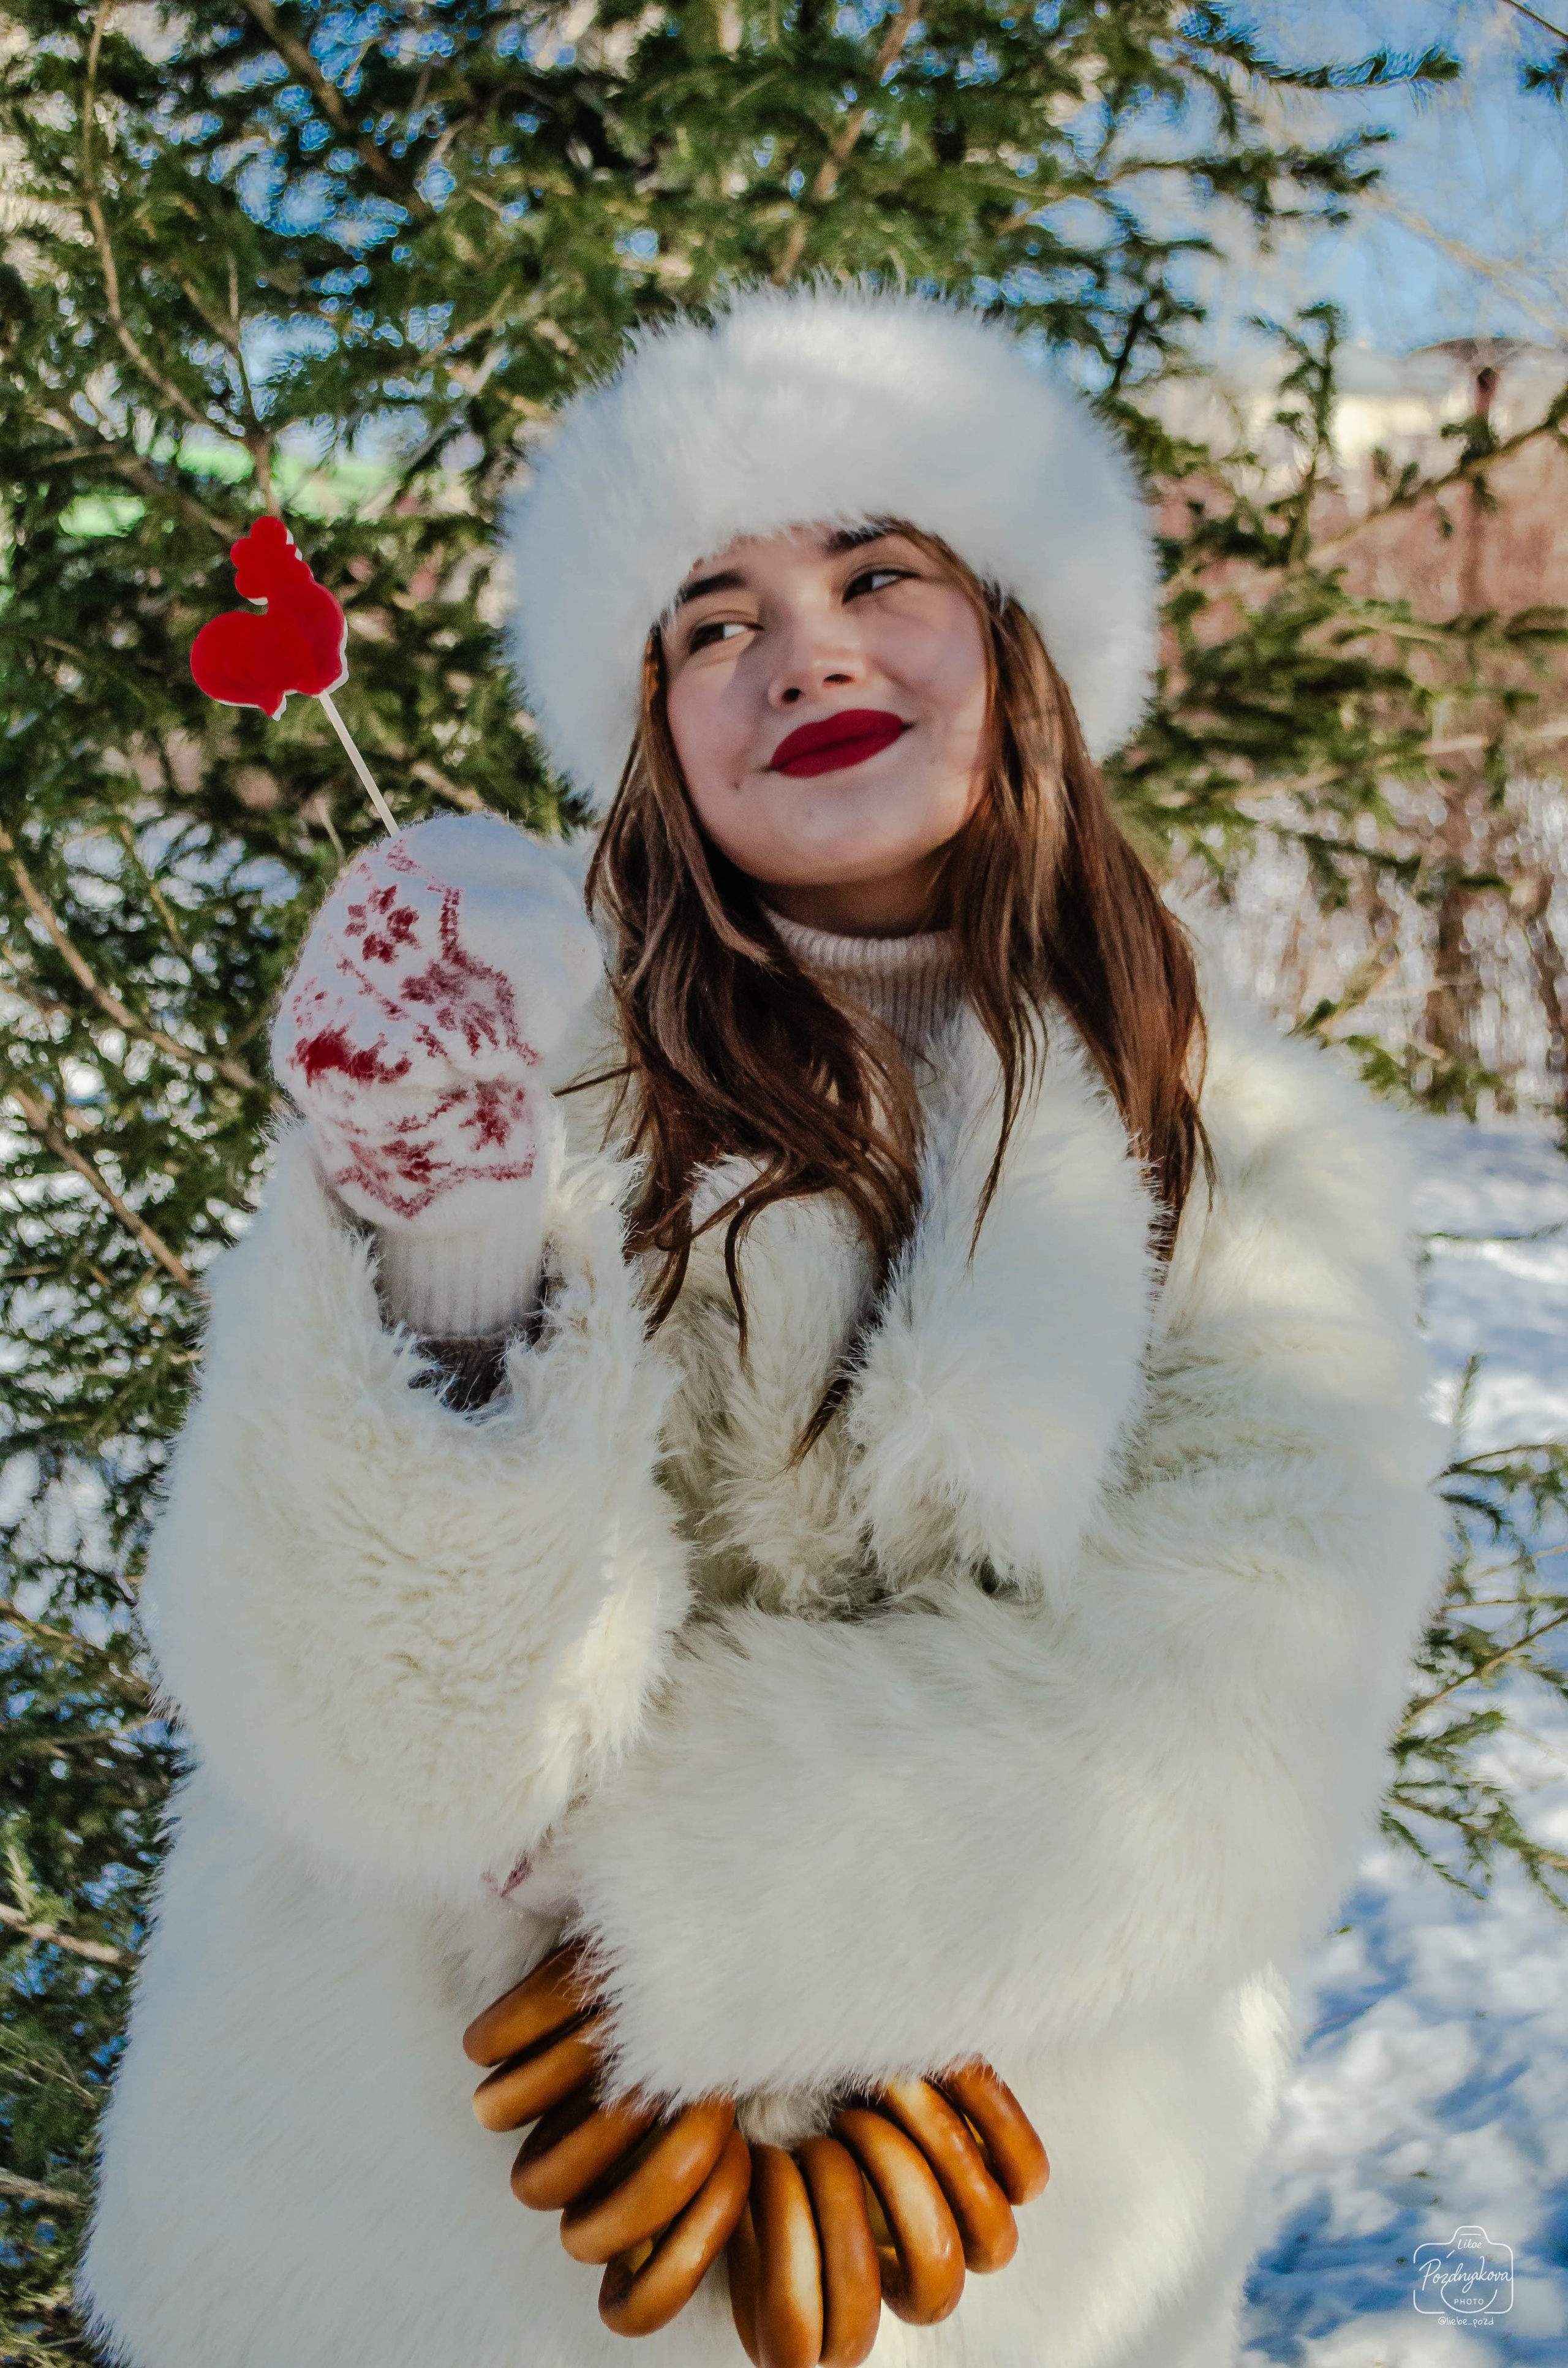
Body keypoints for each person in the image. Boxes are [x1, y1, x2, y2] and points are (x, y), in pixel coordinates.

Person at [83, 286, 1443, 2368]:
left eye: (877, 571)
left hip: (1013, 2263)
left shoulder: (1241, 1157)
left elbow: (1239, 1706)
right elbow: (331, 1702)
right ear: (650, 720)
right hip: (396, 2249)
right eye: (712, 617)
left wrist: (643, 1868)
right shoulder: (492, 1029)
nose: (800, 644)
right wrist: (454, 1251)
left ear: (1021, 640)